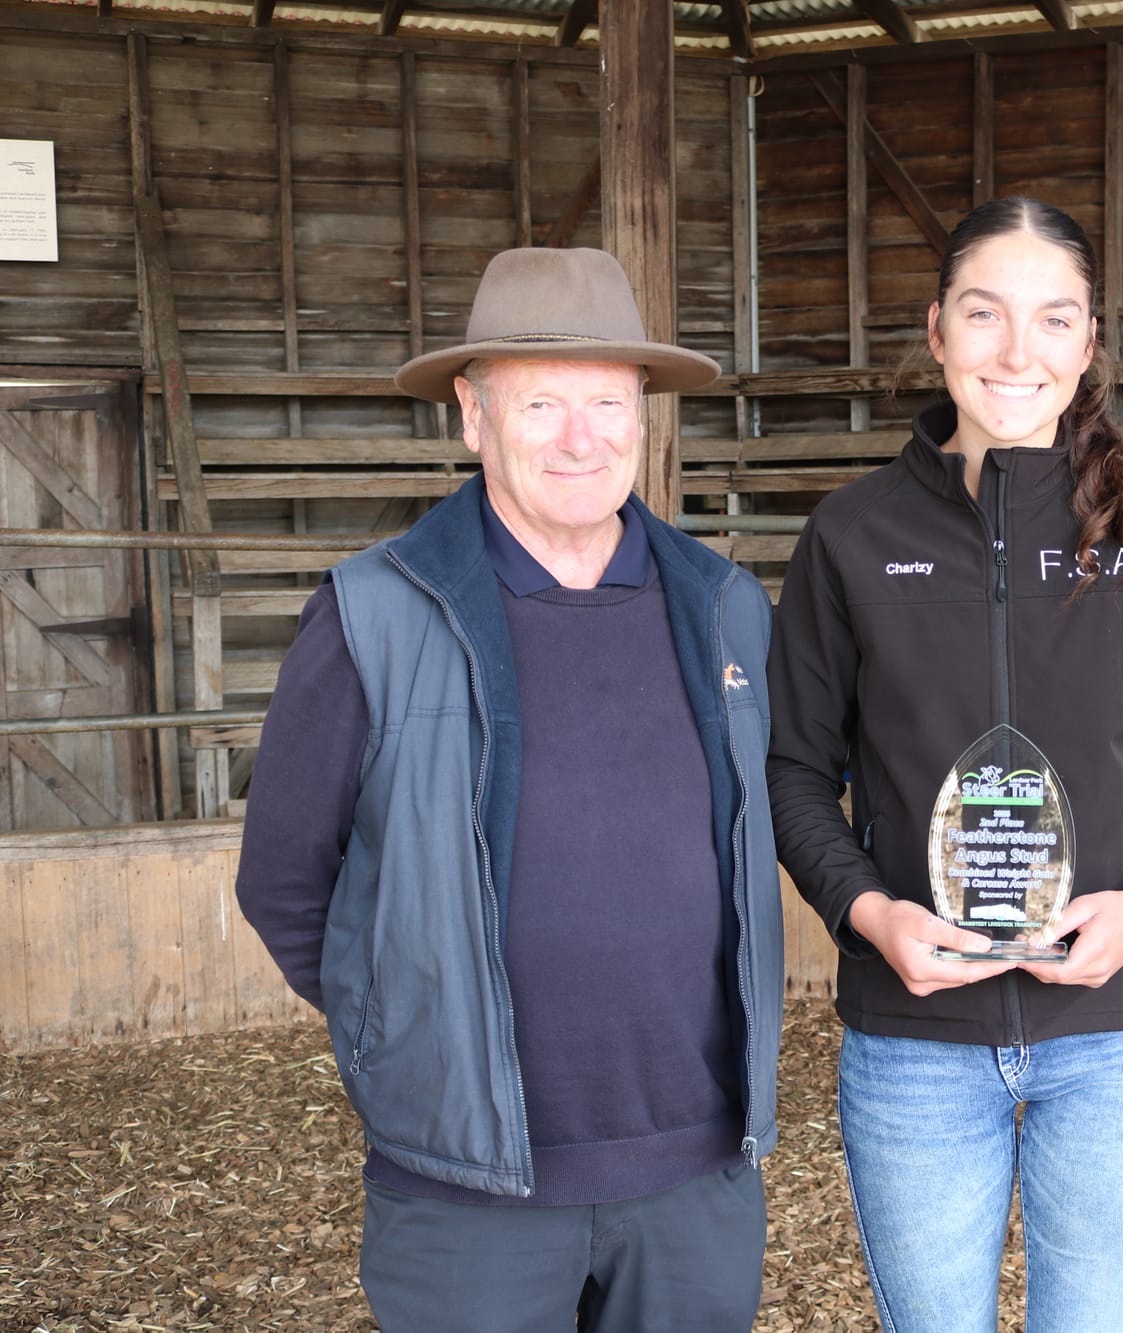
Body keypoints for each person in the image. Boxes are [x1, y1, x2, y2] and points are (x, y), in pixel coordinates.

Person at [235, 246, 783, 1333]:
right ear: (472, 415)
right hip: (468, 1195)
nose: (580, 436)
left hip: (693, 1173)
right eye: (539, 401)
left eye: (606, 401)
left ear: (643, 415)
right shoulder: (376, 613)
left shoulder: (723, 605)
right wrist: (403, 1029)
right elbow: (285, 879)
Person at [767, 196, 1123, 1333]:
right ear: (936, 328)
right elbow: (795, 770)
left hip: (1118, 1037)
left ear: (1087, 343)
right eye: (984, 314)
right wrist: (867, 915)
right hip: (914, 1040)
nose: (1015, 351)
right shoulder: (849, 536)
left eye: (1053, 320)